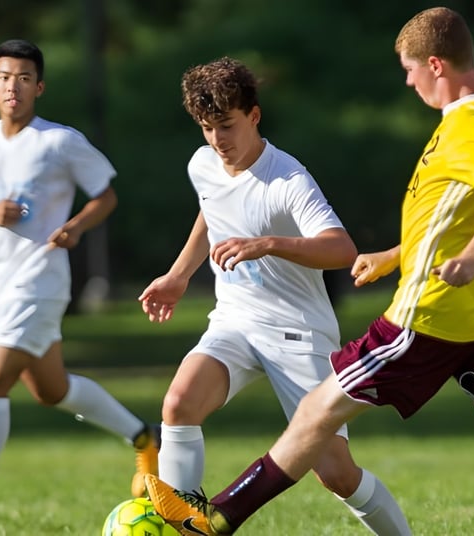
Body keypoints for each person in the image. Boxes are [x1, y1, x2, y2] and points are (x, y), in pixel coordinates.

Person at [142, 8, 474, 536]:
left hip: (426, 318)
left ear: (437, 64)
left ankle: (215, 521)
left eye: (409, 68)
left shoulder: (468, 127)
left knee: (313, 415)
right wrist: (396, 255)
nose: (407, 80)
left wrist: (469, 260)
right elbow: (453, 217)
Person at [136, 56, 411, 535]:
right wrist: (179, 275)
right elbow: (211, 210)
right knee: (179, 404)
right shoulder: (203, 164)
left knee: (336, 474)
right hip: (234, 320)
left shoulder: (287, 179)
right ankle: (183, 526)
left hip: (297, 331)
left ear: (254, 115)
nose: (218, 141)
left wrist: (266, 244)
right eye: (206, 128)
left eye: (227, 125)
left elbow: (341, 249)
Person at [0, 39, 158, 525]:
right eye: (5, 77)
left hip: (42, 280)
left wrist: (76, 227)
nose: (14, 86)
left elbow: (105, 196)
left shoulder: (59, 141)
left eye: (24, 78)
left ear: (39, 87)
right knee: (50, 389)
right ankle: (145, 438)